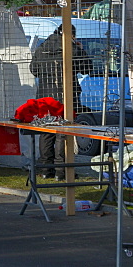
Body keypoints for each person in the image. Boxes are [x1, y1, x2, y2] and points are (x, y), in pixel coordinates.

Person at [29, 26, 92, 178]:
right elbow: (87, 68)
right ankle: (61, 170)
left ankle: (45, 170)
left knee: (46, 132)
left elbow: (34, 70)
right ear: (72, 35)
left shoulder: (41, 48)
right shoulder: (71, 48)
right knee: (63, 134)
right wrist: (80, 49)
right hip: (66, 97)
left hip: (44, 97)